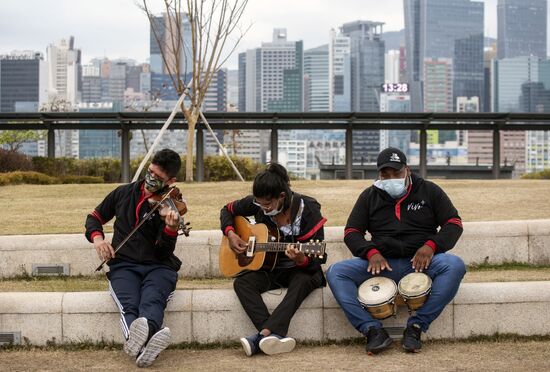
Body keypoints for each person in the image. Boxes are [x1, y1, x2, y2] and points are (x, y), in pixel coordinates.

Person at [326, 147, 465, 354]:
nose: (391, 178)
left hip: (421, 263)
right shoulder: (369, 196)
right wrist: (370, 252)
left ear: (407, 170)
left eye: (397, 173)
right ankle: (372, 330)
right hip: (382, 264)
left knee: (454, 265)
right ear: (379, 174)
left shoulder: (429, 190)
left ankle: (416, 326)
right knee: (336, 272)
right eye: (385, 174)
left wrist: (431, 246)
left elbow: (454, 223)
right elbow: (352, 232)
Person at [85, 149, 183, 368]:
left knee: (152, 299)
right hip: (123, 265)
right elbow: (94, 217)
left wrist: (170, 228)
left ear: (171, 181)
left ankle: (139, 342)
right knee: (130, 304)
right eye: (150, 172)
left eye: (158, 178)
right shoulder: (123, 193)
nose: (150, 179)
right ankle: (147, 344)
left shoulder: (170, 206)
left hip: (159, 266)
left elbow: (163, 252)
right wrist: (99, 240)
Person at [220, 163, 327, 357]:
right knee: (242, 283)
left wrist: (302, 258)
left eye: (267, 205)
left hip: (302, 270)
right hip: (271, 267)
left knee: (302, 280)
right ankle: (272, 338)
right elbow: (226, 210)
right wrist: (231, 233)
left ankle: (262, 336)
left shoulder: (308, 210)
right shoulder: (258, 202)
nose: (262, 208)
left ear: (282, 196)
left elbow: (317, 261)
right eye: (259, 204)